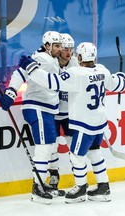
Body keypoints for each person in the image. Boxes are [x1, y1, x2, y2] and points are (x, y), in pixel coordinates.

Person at [18, 42, 125, 203]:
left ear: (81, 57)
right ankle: (103, 186)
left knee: (76, 156)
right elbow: (118, 84)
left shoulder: (76, 74)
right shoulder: (103, 70)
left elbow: (51, 81)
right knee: (94, 152)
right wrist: (122, 77)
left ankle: (81, 188)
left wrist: (32, 68)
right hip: (100, 124)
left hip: (84, 125)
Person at [0, 31, 63, 204]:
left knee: (49, 146)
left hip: (46, 109)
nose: (59, 49)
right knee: (44, 148)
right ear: (48, 45)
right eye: (56, 46)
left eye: (60, 46)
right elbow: (20, 73)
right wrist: (11, 93)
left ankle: (42, 184)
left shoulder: (49, 59)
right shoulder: (43, 58)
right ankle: (37, 189)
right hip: (38, 107)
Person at [48, 33, 79, 191]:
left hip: (70, 114)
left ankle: (79, 180)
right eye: (65, 49)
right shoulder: (51, 63)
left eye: (71, 49)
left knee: (73, 147)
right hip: (53, 113)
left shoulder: (75, 64)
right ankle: (54, 177)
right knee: (52, 146)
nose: (68, 52)